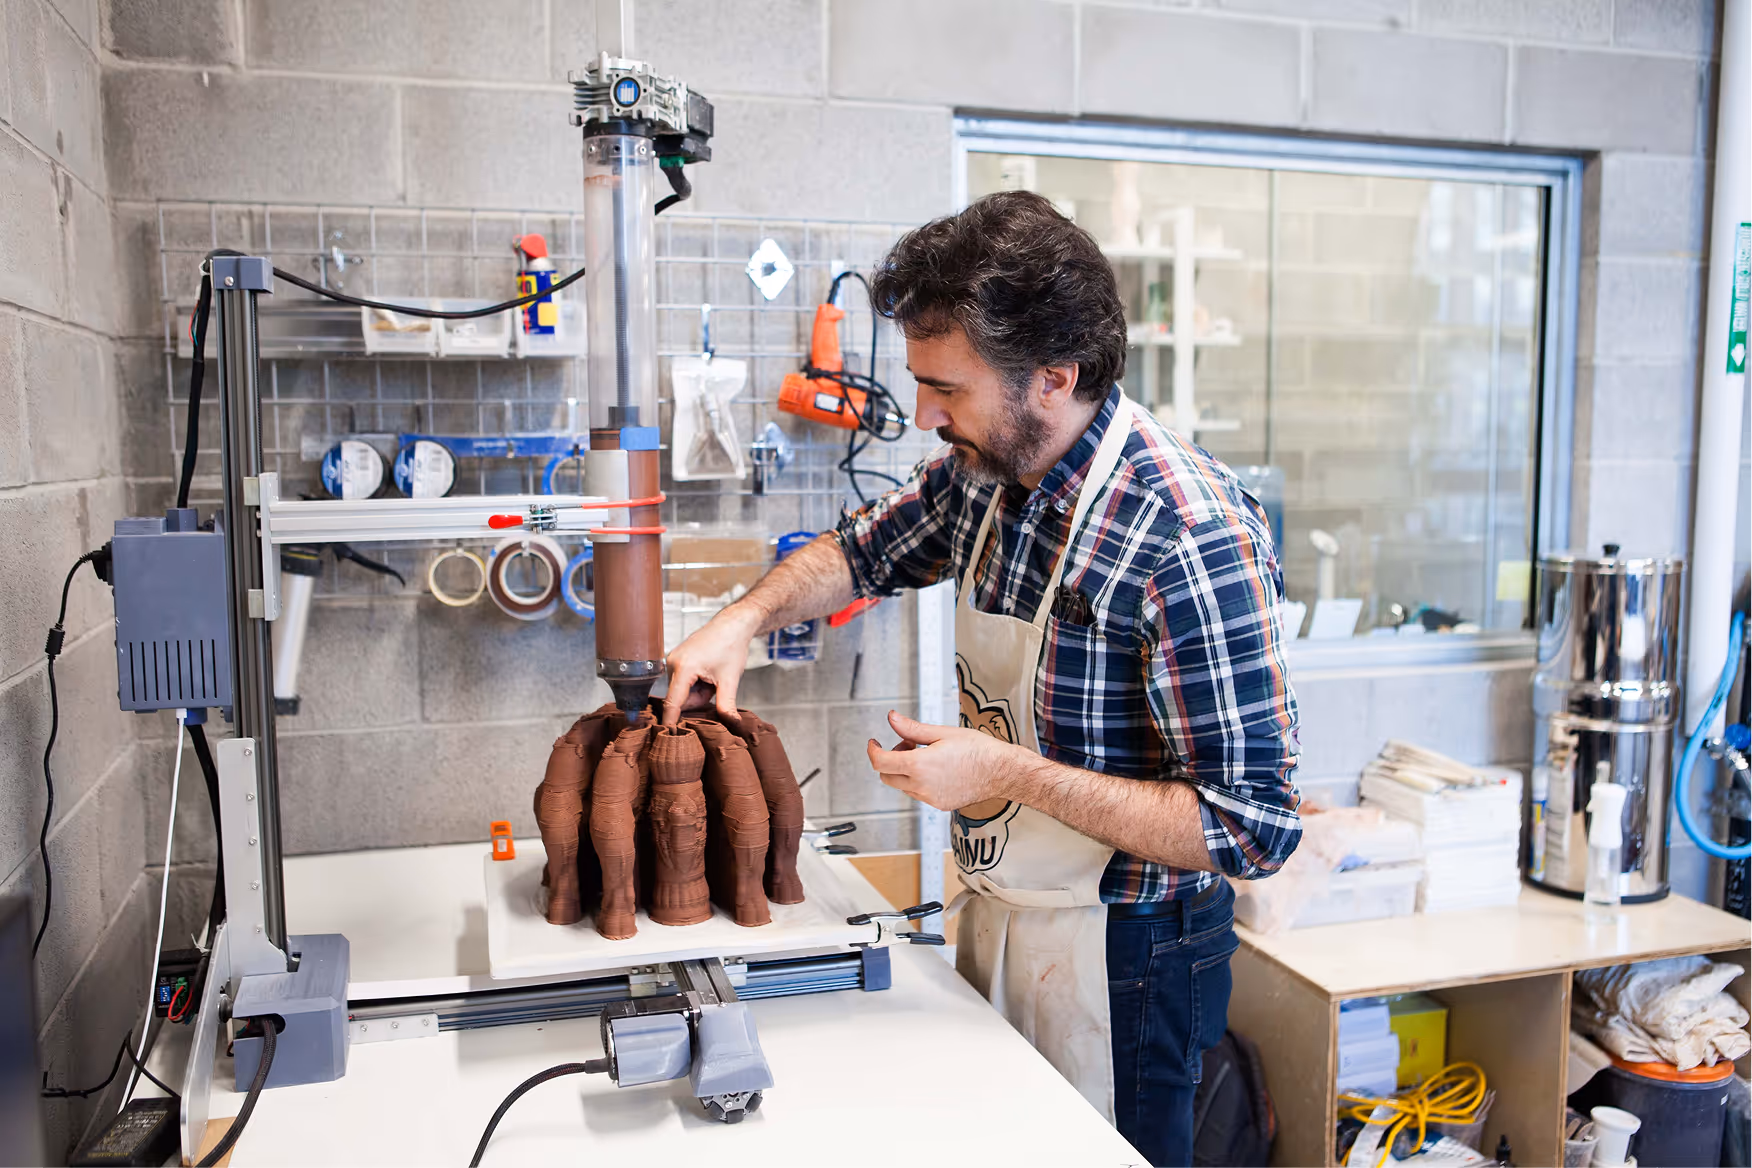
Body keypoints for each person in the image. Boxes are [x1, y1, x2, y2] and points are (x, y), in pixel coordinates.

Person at [663, 190, 1301, 1167]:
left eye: (945, 390)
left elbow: (1251, 828)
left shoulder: (1185, 536)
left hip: (1130, 958)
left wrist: (1004, 774)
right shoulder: (981, 472)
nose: (923, 417)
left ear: (1054, 376)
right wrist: (739, 622)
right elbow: (864, 552)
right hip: (1003, 908)